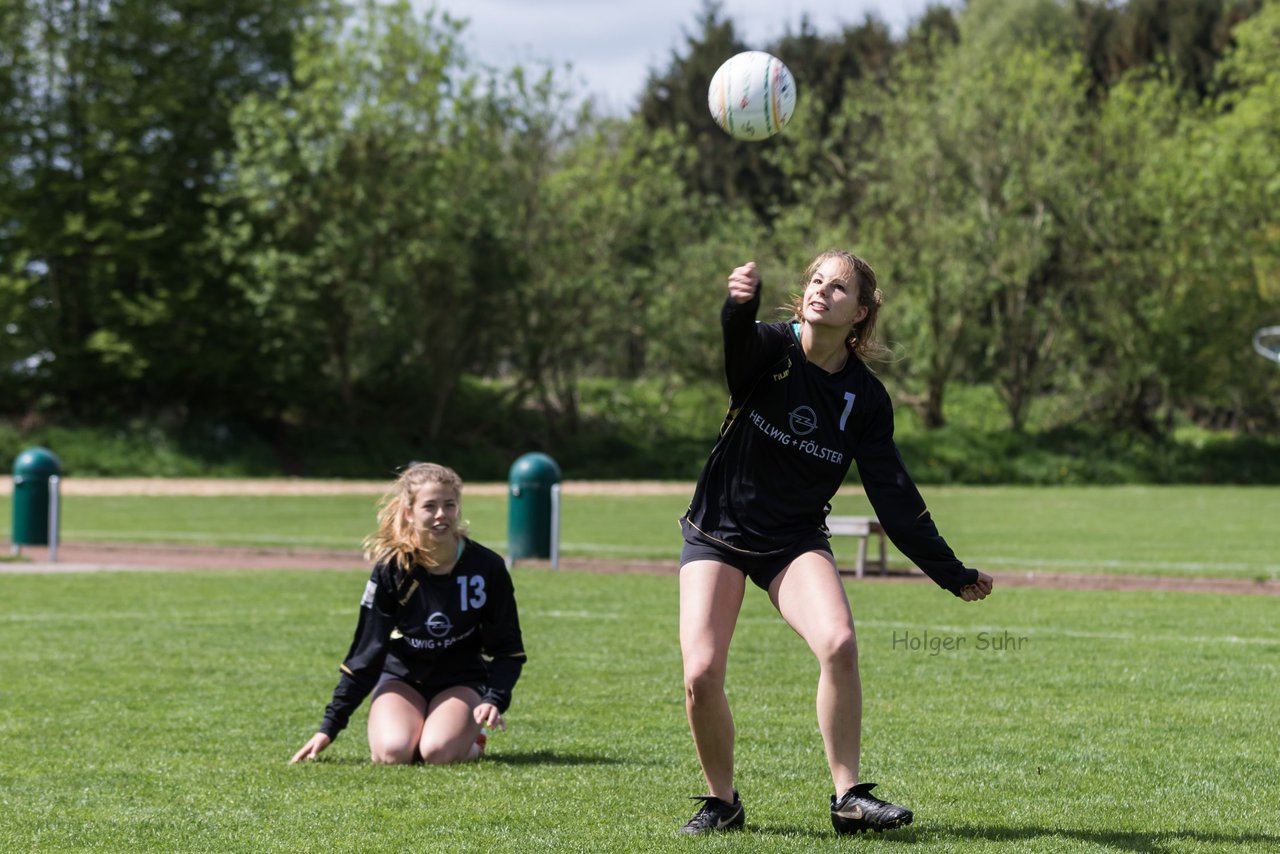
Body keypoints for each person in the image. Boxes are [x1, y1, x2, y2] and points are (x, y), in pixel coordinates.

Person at [677, 251, 994, 835]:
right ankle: (721, 802)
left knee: (840, 642)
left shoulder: (865, 400)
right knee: (700, 672)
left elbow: (893, 495)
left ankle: (849, 796)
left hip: (791, 541)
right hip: (717, 531)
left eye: (839, 288)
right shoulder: (771, 349)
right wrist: (737, 305)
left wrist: (949, 570)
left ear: (861, 313)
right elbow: (736, 345)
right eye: (816, 281)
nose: (823, 291)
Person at [290, 462, 526, 765]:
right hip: (402, 680)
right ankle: (414, 727)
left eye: (449, 505)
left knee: (438, 752)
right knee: (393, 753)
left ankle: (473, 739)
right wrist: (329, 728)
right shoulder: (393, 569)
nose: (441, 514)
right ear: (409, 512)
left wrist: (494, 698)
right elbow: (367, 651)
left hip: (460, 681)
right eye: (430, 506)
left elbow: (508, 649)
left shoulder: (487, 567)